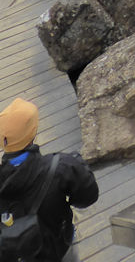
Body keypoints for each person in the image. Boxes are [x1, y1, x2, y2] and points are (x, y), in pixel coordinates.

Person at [0, 97, 99, 262]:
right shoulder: (60, 167)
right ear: (33, 132)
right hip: (59, 247)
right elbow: (88, 196)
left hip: (21, 254)